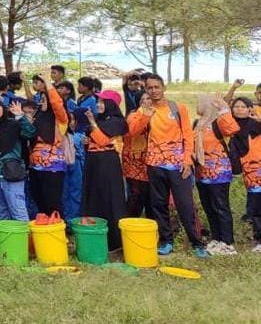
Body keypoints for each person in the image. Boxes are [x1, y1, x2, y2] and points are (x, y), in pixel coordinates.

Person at [126, 72, 207, 257]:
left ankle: (197, 243)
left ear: (164, 88)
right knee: (159, 205)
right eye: (150, 88)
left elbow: (187, 135)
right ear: (145, 90)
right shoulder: (143, 110)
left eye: (157, 87)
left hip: (178, 165)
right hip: (154, 164)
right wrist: (145, 115)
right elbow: (132, 132)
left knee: (185, 205)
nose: (154, 91)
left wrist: (188, 160)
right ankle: (166, 241)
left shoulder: (178, 108)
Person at [192, 93, 240, 255]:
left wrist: (225, 110)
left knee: (221, 207)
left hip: (219, 172)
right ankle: (216, 238)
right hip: (202, 172)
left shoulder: (218, 122)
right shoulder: (198, 123)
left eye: (201, 102)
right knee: (209, 207)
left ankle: (227, 242)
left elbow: (233, 129)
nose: (199, 105)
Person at [81, 90, 128, 250]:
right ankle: (94, 234)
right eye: (98, 102)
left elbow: (101, 140)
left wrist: (92, 123)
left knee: (110, 198)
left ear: (110, 105)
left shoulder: (117, 122)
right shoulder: (100, 120)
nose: (98, 105)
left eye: (102, 102)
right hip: (93, 162)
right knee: (94, 197)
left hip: (108, 164)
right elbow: (93, 139)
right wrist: (86, 140)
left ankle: (114, 240)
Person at [0, 98, 34, 222]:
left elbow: (30, 134)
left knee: (17, 208)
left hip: (11, 171)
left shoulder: (14, 124)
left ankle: (23, 239)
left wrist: (20, 116)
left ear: (3, 107)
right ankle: (5, 239)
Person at [26, 74, 69, 216]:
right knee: (40, 200)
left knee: (53, 202)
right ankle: (45, 231)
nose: (41, 102)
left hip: (52, 166)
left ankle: (57, 231)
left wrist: (48, 85)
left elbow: (57, 104)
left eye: (45, 100)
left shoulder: (60, 119)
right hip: (35, 165)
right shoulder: (38, 117)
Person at [228, 96, 261, 253]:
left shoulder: (256, 125)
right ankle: (257, 238)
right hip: (248, 172)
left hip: (258, 168)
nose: (239, 109)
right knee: (254, 204)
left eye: (243, 106)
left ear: (250, 109)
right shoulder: (230, 127)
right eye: (236, 106)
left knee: (257, 204)